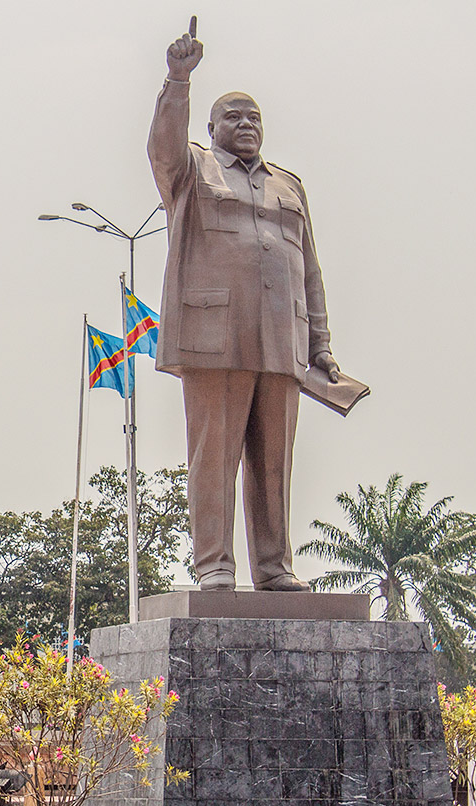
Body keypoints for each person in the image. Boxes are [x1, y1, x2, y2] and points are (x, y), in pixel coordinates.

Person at [149, 19, 341, 592]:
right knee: (214, 456)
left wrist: (322, 344)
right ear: (211, 128)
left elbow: (309, 267)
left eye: (254, 116)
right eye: (234, 116)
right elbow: (162, 146)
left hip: (283, 339)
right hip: (216, 335)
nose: (247, 124)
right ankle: (214, 565)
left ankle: (275, 568)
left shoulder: (289, 185)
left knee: (273, 462)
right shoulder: (190, 169)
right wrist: (177, 81)